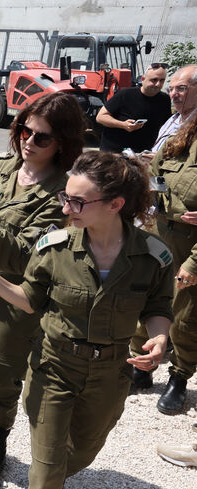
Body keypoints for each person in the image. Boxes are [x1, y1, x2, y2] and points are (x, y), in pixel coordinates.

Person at [0, 151, 174, 488]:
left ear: (114, 205)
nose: (64, 209)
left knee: (80, 454)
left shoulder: (154, 256)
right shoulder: (53, 248)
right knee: (46, 473)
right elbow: (29, 300)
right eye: (65, 197)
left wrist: (159, 337)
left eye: (76, 202)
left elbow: (158, 306)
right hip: (54, 369)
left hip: (109, 376)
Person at [0, 92, 85, 489]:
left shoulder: (63, 195)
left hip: (14, 291)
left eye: (42, 137)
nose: (28, 141)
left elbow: (30, 257)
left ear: (63, 143)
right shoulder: (2, 169)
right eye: (25, 129)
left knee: (0, 373)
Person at [129, 104, 197, 414]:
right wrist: (161, 205)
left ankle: (179, 378)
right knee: (144, 301)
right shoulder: (177, 142)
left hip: (192, 250)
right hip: (159, 239)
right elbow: (154, 176)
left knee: (184, 318)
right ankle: (142, 366)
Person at [96, 63, 170, 153]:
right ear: (143, 79)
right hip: (115, 153)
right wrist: (123, 124)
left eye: (162, 80)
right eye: (154, 80)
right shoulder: (126, 94)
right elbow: (100, 117)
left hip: (144, 154)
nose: (158, 84)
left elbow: (165, 126)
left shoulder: (164, 100)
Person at [146, 64, 197, 156]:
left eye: (181, 88)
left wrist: (160, 159)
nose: (173, 94)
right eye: (170, 89)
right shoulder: (175, 118)